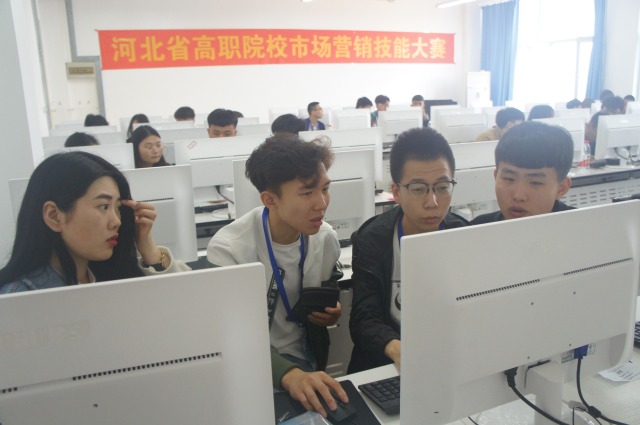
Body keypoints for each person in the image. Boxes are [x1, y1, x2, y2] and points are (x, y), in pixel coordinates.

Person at [207, 135, 349, 417]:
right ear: (270, 199)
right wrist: (288, 373)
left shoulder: (325, 238)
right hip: (250, 372)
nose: (322, 203)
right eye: (307, 193)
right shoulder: (230, 250)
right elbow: (230, 337)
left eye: (325, 189)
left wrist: (331, 311)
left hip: (307, 367)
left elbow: (329, 284)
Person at [348, 127, 468, 374]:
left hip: (448, 362)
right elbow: (364, 318)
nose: (432, 202)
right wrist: (396, 349)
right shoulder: (372, 240)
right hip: (386, 366)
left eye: (442, 187)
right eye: (418, 189)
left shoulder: (464, 236)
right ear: (396, 192)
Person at [0, 151, 189, 294]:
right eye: (104, 206)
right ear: (54, 216)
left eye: (118, 207)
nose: (116, 221)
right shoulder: (20, 298)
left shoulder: (106, 274)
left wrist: (150, 251)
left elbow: (185, 307)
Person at [470, 121, 574, 225]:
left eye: (535, 183)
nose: (518, 196)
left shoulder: (580, 228)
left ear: (561, 188)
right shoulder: (477, 229)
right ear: (496, 176)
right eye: (509, 178)